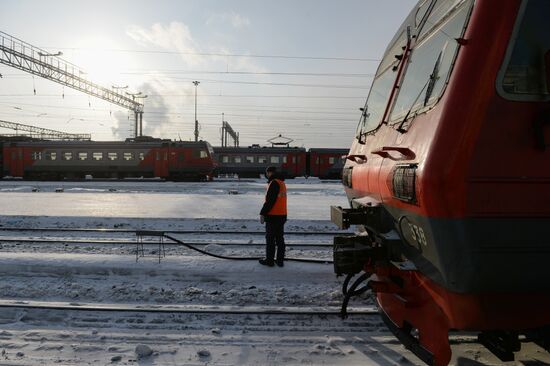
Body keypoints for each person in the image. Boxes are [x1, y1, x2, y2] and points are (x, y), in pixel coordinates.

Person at [259, 166, 287, 267]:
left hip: (273, 215)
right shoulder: (282, 182)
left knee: (270, 239)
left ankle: (269, 261)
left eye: (267, 173)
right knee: (280, 239)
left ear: (270, 173)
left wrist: (262, 213)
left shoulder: (274, 183)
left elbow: (270, 201)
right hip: (282, 215)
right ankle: (280, 261)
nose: (267, 175)